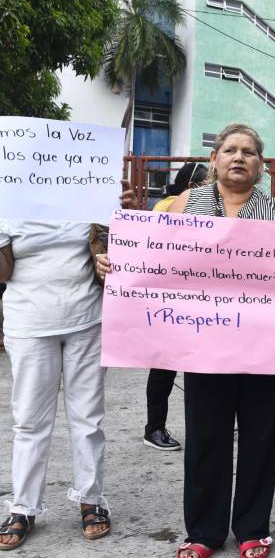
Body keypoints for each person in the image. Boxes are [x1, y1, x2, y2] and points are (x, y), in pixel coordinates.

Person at [98, 124, 275, 558]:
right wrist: (116, 264)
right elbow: (151, 258)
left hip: (264, 348)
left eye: (248, 151)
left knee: (261, 437)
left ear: (260, 165)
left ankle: (252, 528)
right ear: (214, 160)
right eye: (230, 150)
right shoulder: (186, 204)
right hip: (202, 345)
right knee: (206, 437)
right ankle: (204, 532)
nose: (238, 157)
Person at [0, 183, 137, 551]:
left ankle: (92, 501)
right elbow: (2, 273)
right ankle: (23, 507)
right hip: (29, 325)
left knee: (88, 418)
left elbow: (126, 254)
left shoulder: (91, 195)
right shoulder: (9, 202)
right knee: (29, 421)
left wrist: (123, 213)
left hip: (87, 321)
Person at [144, 161, 209, 452]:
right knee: (164, 369)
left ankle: (209, 425)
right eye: (210, 182)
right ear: (193, 188)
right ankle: (154, 428)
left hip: (203, 302)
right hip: (173, 303)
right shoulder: (168, 208)